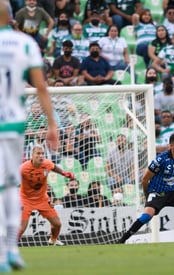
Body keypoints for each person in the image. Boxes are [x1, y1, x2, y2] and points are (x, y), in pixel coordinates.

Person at [0, 2, 58, 271]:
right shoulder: (25, 43)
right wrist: (51, 124)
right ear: (12, 18)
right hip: (12, 123)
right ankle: (10, 250)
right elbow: (41, 87)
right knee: (9, 187)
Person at [118, 133, 174, 243]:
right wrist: (148, 196)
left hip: (172, 192)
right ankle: (122, 240)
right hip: (157, 192)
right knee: (146, 216)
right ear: (171, 146)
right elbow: (145, 180)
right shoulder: (161, 159)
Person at [19, 146, 74, 246]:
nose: (41, 156)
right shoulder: (23, 168)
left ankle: (53, 240)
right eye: (38, 153)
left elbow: (54, 167)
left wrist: (64, 173)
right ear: (32, 155)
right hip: (26, 199)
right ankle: (8, 248)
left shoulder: (46, 163)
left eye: (42, 153)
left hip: (42, 199)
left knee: (57, 224)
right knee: (22, 228)